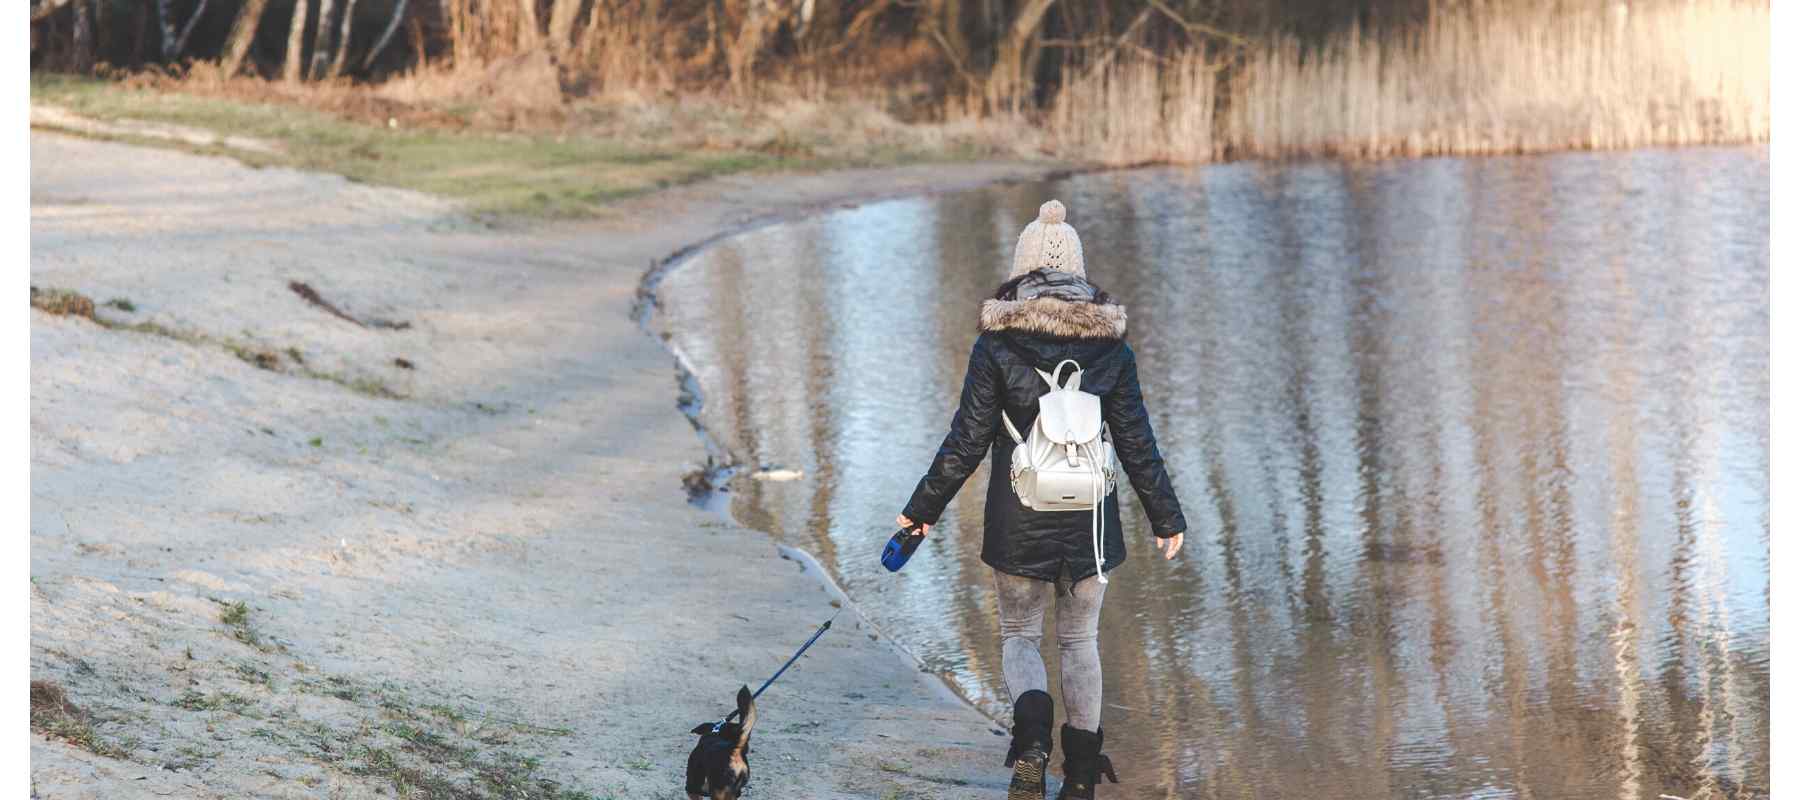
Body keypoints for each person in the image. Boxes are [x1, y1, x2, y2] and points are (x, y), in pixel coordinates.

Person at [896, 199, 1187, 800]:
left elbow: (967, 442)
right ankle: (1081, 776)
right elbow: (1136, 440)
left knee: (1020, 635)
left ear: (1021, 272)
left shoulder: (997, 346)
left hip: (1018, 518)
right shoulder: (1113, 349)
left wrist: (921, 511)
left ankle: (1031, 740)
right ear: (1080, 276)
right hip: (1091, 525)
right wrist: (1166, 516)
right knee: (1080, 642)